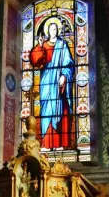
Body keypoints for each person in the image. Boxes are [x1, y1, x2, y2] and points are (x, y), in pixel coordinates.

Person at [29, 20, 74, 150]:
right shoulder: (43, 45)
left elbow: (69, 64)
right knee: (46, 110)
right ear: (48, 31)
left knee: (60, 109)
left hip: (58, 82)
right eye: (51, 29)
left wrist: (64, 76)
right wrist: (39, 45)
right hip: (46, 81)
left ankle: (59, 143)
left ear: (58, 31)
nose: (53, 31)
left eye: (55, 29)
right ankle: (46, 143)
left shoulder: (62, 44)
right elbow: (36, 61)